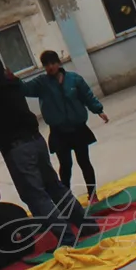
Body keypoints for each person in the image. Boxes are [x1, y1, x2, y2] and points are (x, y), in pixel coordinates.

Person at [0, 52, 98, 249]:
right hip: (37, 142)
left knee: (36, 195)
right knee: (54, 186)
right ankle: (87, 225)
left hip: (18, 149)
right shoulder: (13, 85)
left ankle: (66, 239)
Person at [21, 51, 109, 202]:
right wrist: (10, 80)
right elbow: (24, 89)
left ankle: (92, 194)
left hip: (78, 128)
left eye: (52, 63)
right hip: (59, 131)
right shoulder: (41, 83)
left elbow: (87, 96)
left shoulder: (74, 79)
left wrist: (98, 110)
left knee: (84, 161)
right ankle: (66, 198)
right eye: (46, 64)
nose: (50, 67)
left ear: (59, 63)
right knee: (65, 165)